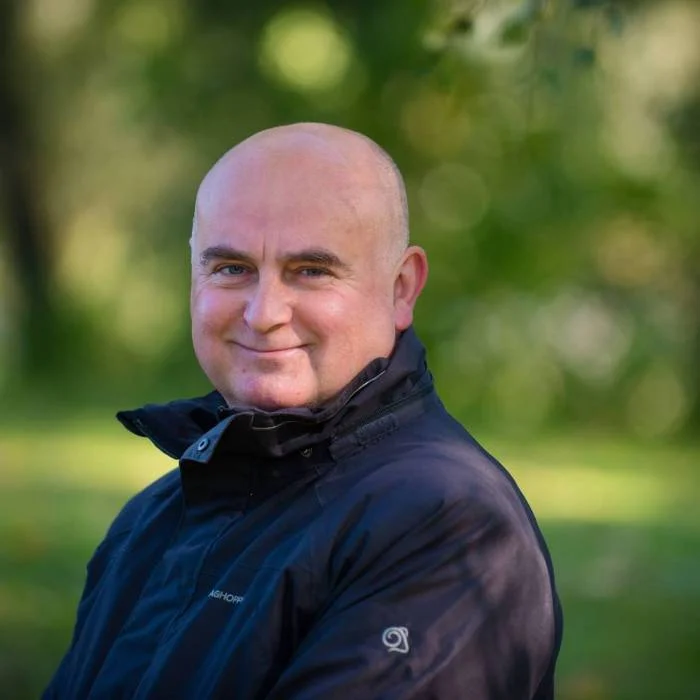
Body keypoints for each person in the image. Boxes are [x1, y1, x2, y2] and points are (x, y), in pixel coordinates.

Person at [44, 123, 562, 699]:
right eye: (232, 268)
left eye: (311, 271)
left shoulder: (447, 525)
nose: (263, 313)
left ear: (401, 289)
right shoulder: (154, 518)